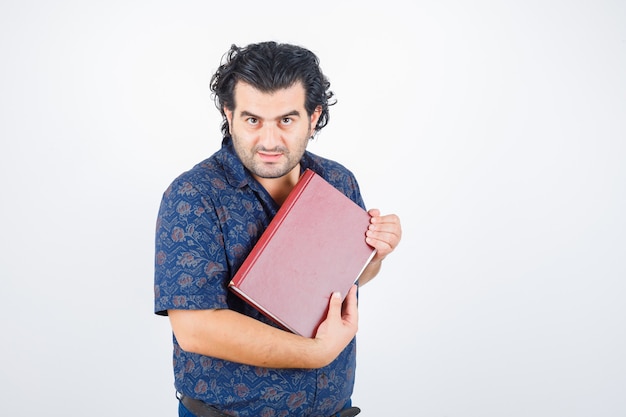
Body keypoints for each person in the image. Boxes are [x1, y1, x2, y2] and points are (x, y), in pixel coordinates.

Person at [154, 41, 402, 417]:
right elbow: (195, 328)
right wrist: (315, 354)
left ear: (313, 116)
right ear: (229, 113)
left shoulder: (337, 180)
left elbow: (345, 281)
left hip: (334, 409)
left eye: (286, 120)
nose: (269, 141)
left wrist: (376, 252)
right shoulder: (193, 195)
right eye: (253, 120)